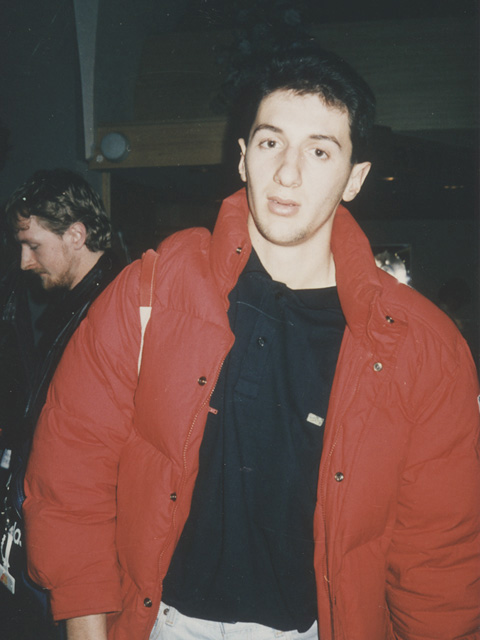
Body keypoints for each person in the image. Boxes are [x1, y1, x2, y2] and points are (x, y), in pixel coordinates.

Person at [23, 43, 480, 640]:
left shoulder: (423, 346)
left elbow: (439, 556)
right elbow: (72, 468)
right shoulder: (152, 289)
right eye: (270, 143)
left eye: (320, 151)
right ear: (242, 159)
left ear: (355, 178)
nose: (288, 173)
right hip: (159, 622)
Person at [0, 169, 122, 639]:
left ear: (76, 235)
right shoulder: (75, 305)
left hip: (87, 549)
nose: (24, 262)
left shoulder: (110, 309)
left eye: (34, 246)